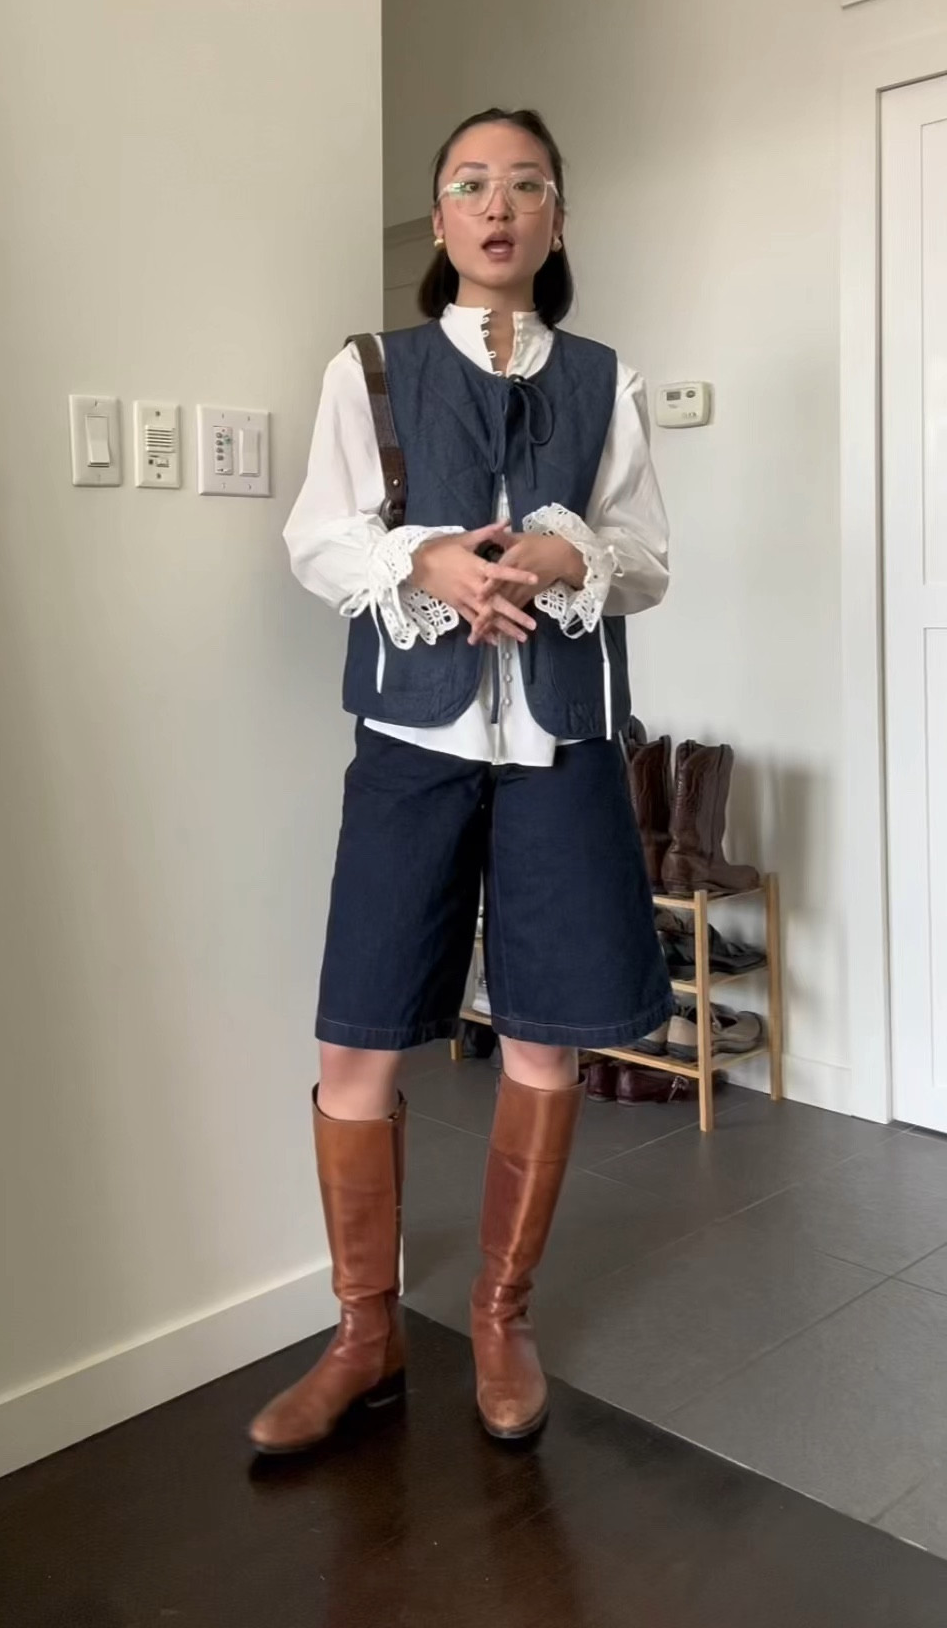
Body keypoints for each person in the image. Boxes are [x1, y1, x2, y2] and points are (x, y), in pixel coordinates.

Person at [249, 107, 672, 1455]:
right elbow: (319, 540)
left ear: (557, 220)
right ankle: (363, 1336)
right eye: (471, 184)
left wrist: (561, 558)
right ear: (438, 219)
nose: (498, 205)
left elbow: (646, 560)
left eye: (525, 185)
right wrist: (426, 560)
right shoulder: (370, 372)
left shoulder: (606, 379)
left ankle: (501, 1316)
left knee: (545, 1035)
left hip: (561, 742)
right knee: (358, 1037)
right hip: (412, 741)